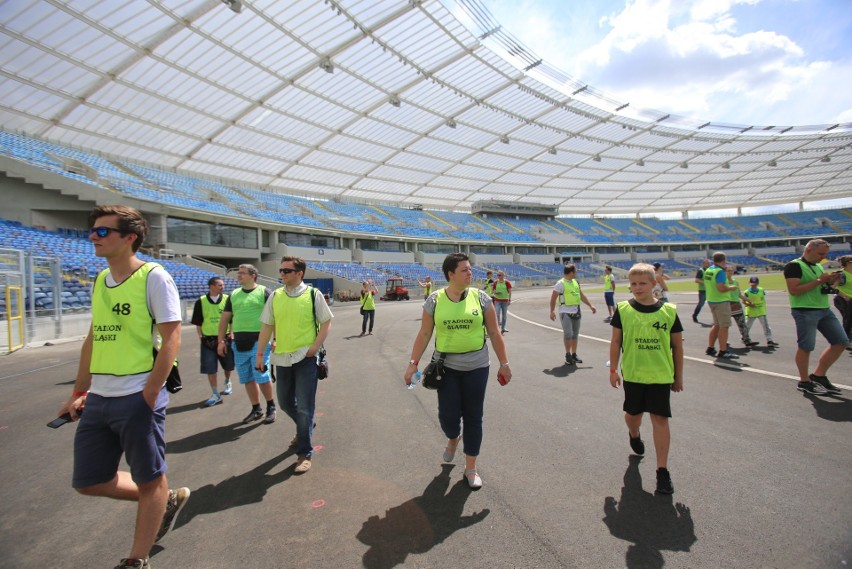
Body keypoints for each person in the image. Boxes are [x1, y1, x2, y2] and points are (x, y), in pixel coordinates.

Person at [57, 205, 188, 569]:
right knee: (89, 480)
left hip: (137, 395)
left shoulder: (154, 276)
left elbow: (172, 338)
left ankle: (136, 559)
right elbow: (93, 339)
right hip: (99, 396)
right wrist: (77, 392)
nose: (92, 237)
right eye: (93, 230)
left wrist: (149, 393)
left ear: (129, 238)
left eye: (102, 232)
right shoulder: (101, 280)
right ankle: (166, 499)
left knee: (149, 480)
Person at [403, 253, 511, 489]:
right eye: (464, 270)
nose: (470, 273)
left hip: (477, 367)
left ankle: (470, 467)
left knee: (474, 417)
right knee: (448, 416)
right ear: (450, 274)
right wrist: (413, 363)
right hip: (447, 368)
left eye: (470, 269)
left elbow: (494, 333)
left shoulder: (481, 298)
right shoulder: (434, 300)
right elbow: (424, 333)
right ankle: (453, 438)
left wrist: (504, 363)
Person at [609, 263, 684, 495]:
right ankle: (634, 433)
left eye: (642, 283)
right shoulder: (623, 309)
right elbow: (615, 342)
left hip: (660, 375)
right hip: (633, 373)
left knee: (660, 419)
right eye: (633, 284)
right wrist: (613, 370)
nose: (637, 287)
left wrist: (678, 376)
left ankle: (662, 471)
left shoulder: (669, 311)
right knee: (633, 415)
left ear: (654, 284)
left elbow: (677, 347)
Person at [257, 257, 333, 474]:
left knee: (305, 407)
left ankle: (304, 452)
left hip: (305, 359)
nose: (282, 274)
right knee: (284, 402)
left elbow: (326, 322)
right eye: (281, 270)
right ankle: (305, 427)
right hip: (281, 358)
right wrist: (260, 354)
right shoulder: (275, 296)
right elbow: (267, 326)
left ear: (300, 273)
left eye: (287, 271)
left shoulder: (312, 294)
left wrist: (314, 348)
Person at [784, 239, 847, 395]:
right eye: (821, 254)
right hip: (805, 310)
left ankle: (818, 375)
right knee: (806, 346)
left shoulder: (818, 266)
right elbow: (794, 290)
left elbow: (822, 289)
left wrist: (832, 283)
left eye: (825, 254)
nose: (823, 257)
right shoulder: (794, 266)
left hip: (823, 309)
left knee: (841, 342)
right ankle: (804, 381)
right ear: (809, 250)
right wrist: (820, 280)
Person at [217, 264, 276, 424]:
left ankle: (271, 406)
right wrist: (221, 341)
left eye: (242, 273)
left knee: (261, 375)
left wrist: (275, 338)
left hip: (259, 341)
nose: (239, 275)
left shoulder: (264, 292)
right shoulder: (234, 295)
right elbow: (225, 320)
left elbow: (275, 317)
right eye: (238, 273)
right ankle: (256, 408)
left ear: (253, 275)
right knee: (246, 377)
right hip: (239, 343)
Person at [191, 276, 234, 407]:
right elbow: (198, 321)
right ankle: (215, 393)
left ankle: (227, 380)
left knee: (228, 365)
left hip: (225, 339)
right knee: (210, 368)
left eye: (223, 285)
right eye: (220, 285)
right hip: (208, 340)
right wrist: (200, 336)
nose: (223, 287)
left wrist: (231, 333)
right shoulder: (201, 301)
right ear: (211, 286)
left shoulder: (227, 299)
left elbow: (232, 319)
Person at [549, 263, 597, 365]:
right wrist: (552, 311)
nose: (576, 273)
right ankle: (568, 354)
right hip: (565, 312)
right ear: (571, 272)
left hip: (576, 311)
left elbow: (581, 296)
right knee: (568, 334)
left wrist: (590, 305)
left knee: (575, 334)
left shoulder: (575, 282)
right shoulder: (560, 284)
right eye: (575, 271)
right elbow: (553, 298)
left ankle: (574, 354)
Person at [704, 252, 740, 360]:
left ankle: (710, 347)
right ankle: (723, 350)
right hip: (720, 301)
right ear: (723, 260)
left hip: (711, 299)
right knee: (724, 326)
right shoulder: (720, 272)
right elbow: (721, 288)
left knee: (716, 325)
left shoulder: (709, 270)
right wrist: (731, 287)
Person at [725, 265, 757, 348]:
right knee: (725, 325)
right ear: (725, 272)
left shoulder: (735, 282)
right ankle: (724, 341)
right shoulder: (723, 282)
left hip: (736, 304)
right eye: (728, 270)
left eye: (731, 270)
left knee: (742, 323)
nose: (730, 272)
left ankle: (747, 340)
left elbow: (739, 294)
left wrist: (749, 300)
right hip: (726, 304)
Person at [743, 276, 778, 347]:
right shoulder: (746, 292)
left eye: (755, 283)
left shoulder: (761, 290)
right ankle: (744, 338)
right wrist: (749, 304)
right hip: (751, 311)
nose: (753, 285)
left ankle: (769, 340)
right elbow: (744, 302)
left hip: (761, 310)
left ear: (758, 283)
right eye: (752, 284)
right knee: (747, 326)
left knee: (766, 326)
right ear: (749, 283)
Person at [833, 255, 852, 342]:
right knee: (848, 319)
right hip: (843, 300)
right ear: (848, 263)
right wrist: (844, 295)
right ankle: (846, 339)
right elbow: (833, 287)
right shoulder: (841, 274)